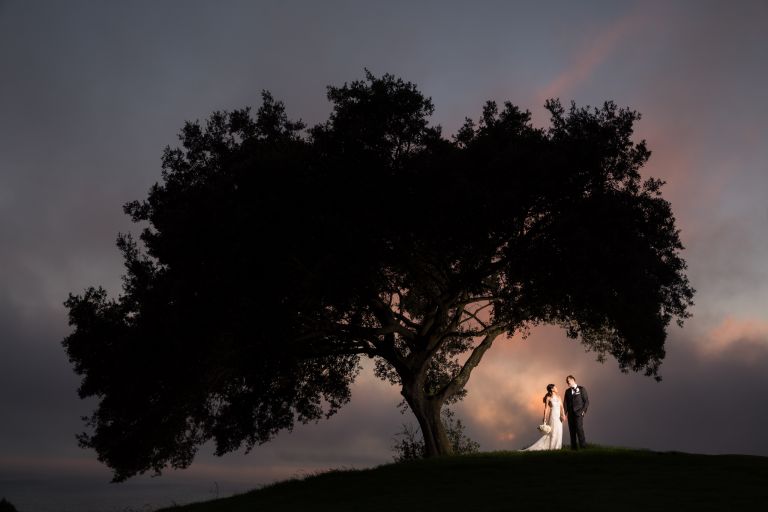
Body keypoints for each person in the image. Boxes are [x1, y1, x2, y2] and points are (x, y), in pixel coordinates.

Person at [521, 384, 564, 451]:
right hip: (553, 416)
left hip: (559, 416)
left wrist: (563, 415)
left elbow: (562, 407)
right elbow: (546, 408)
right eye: (555, 387)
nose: (556, 388)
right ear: (552, 389)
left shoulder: (559, 397)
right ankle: (552, 448)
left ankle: (558, 447)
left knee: (559, 431)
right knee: (553, 431)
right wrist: (544, 417)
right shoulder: (548, 398)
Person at [564, 374, 589, 450]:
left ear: (573, 380)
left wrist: (583, 411)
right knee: (572, 431)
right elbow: (565, 403)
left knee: (579, 429)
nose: (567, 383)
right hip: (570, 414)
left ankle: (583, 447)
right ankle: (573, 448)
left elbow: (586, 402)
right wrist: (564, 414)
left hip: (579, 413)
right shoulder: (567, 391)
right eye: (567, 382)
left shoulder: (581, 389)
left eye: (568, 381)